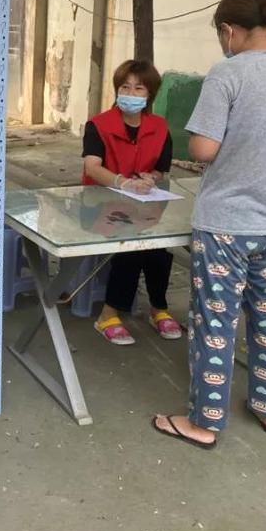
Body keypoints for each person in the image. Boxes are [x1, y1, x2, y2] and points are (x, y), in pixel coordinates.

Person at [152, 0, 266, 449]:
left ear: (228, 30)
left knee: (216, 324)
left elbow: (202, 148)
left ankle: (204, 423)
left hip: (227, 225)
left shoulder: (228, 74)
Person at [78, 60, 182, 345]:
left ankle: (159, 309)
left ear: (149, 94)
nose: (131, 93)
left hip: (142, 206)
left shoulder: (159, 128)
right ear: (117, 90)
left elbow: (160, 170)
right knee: (132, 246)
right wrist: (122, 182)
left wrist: (150, 178)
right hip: (98, 206)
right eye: (125, 87)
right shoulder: (99, 125)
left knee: (159, 248)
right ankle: (108, 314)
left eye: (139, 88)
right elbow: (92, 167)